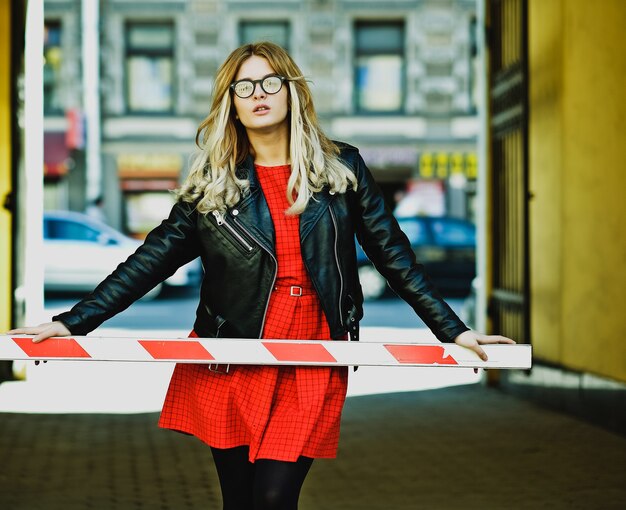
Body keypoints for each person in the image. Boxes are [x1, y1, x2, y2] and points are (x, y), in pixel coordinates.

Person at [8, 42, 515, 510]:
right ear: (230, 101)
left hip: (313, 350)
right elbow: (151, 260)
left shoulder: (344, 167)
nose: (259, 94)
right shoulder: (215, 182)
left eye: (271, 82)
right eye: (244, 86)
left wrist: (454, 330)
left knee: (274, 499)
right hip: (231, 352)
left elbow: (394, 256)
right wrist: (73, 323)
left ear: (292, 90)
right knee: (241, 500)